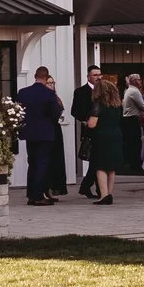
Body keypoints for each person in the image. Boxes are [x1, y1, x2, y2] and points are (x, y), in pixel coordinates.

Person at [13, 67, 67, 206]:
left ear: (35, 76)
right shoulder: (49, 94)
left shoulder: (23, 92)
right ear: (46, 77)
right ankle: (38, 196)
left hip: (29, 132)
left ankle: (31, 195)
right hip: (45, 133)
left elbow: (18, 111)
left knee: (32, 163)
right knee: (42, 163)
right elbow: (55, 113)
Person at [88, 74, 127, 206]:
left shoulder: (98, 104)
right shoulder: (117, 105)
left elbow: (92, 124)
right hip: (116, 135)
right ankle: (109, 193)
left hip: (102, 136)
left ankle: (104, 195)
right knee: (111, 167)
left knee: (101, 166)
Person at [72, 73, 101, 201]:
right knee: (95, 160)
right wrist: (84, 120)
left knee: (97, 161)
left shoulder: (103, 91)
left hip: (102, 130)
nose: (98, 77)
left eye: (100, 74)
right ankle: (91, 187)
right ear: (89, 77)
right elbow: (75, 110)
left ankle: (89, 186)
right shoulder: (80, 92)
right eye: (95, 75)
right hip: (89, 130)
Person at [120, 73, 144, 175]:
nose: (141, 81)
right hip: (132, 119)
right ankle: (135, 166)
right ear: (135, 81)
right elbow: (142, 106)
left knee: (132, 143)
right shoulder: (134, 91)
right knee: (135, 143)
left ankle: (133, 165)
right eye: (139, 80)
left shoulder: (129, 90)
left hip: (128, 120)